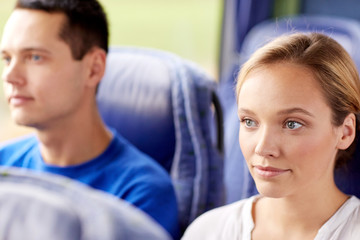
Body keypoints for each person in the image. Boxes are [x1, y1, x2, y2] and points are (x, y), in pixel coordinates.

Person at [0, 0, 179, 238]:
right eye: (7, 59)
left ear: (93, 68)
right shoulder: (5, 166)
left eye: (34, 58)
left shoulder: (142, 193)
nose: (11, 76)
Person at [182, 32, 360, 239]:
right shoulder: (207, 232)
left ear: (345, 132)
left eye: (292, 124)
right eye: (249, 122)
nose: (262, 148)